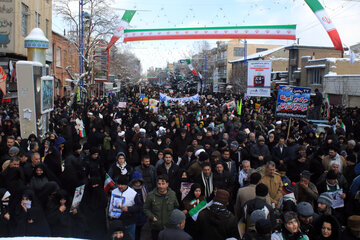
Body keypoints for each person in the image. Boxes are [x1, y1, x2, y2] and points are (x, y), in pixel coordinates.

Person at [143, 175, 179, 240]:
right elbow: (146, 208)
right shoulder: (151, 195)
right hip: (156, 227)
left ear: (167, 184)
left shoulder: (172, 194)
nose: (161, 186)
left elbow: (176, 207)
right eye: (159, 184)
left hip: (169, 227)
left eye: (163, 184)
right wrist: (152, 217)